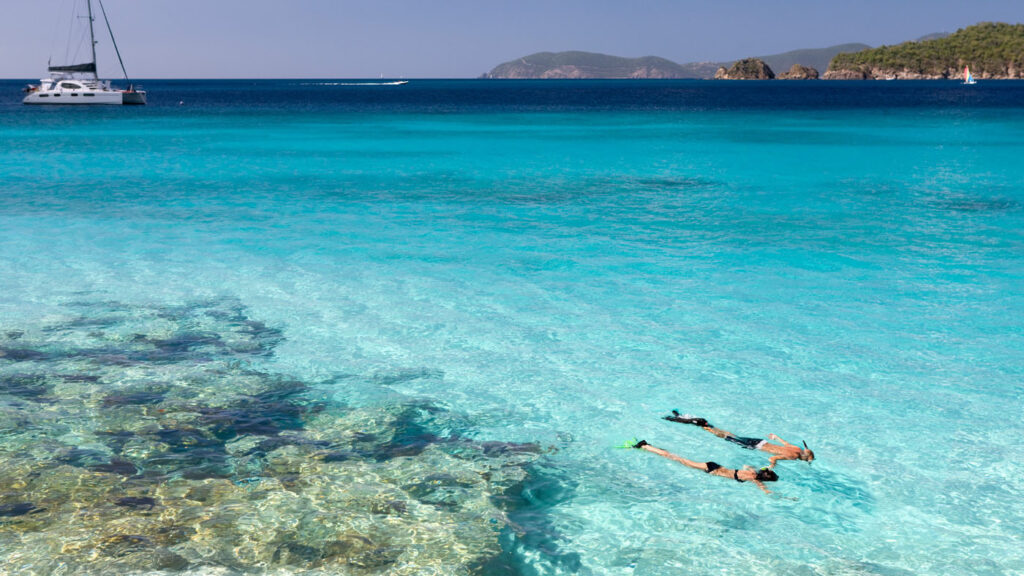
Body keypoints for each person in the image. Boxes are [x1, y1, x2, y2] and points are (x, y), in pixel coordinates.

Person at [664, 410, 814, 468]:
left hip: (761, 441)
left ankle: (708, 425)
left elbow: (785, 443)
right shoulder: (793, 456)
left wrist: (775, 437)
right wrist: (771, 467)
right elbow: (773, 458)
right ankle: (702, 425)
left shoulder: (797, 449)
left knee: (731, 435)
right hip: (756, 447)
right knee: (726, 438)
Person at [627, 439, 778, 494]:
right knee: (677, 459)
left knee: (678, 458)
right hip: (712, 469)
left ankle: (651, 447)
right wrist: (780, 496)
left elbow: (747, 465)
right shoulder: (754, 480)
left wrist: (769, 465)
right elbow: (766, 491)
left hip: (714, 465)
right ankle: (645, 446)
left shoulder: (750, 472)